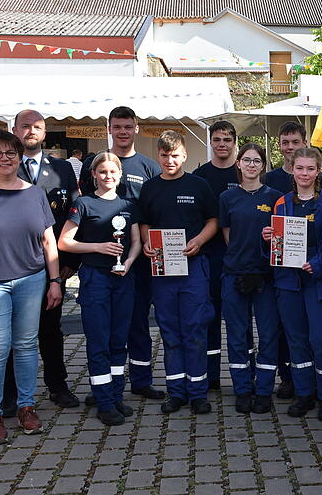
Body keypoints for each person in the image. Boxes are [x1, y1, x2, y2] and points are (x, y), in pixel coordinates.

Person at [0, 110, 81, 414]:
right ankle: (10, 395)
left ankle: (57, 385)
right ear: (14, 129)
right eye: (25, 126)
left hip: (52, 266)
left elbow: (74, 215)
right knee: (9, 335)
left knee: (51, 329)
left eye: (37, 127)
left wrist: (69, 264)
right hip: (6, 265)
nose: (31, 131)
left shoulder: (63, 168)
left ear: (45, 132)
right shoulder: (3, 166)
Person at [0, 129, 62, 444]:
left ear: (20, 156)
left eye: (10, 153)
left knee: (25, 345)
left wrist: (54, 281)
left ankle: (26, 407)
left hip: (31, 279)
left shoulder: (34, 193)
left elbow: (48, 240)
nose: (4, 159)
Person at [80, 106, 164, 403]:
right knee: (104, 330)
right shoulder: (95, 162)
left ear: (136, 128)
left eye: (128, 126)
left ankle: (141, 380)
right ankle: (103, 390)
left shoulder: (149, 167)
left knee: (138, 321)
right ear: (109, 129)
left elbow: (154, 213)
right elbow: (86, 205)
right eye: (118, 126)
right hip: (102, 262)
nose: (123, 131)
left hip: (138, 259)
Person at [57, 153, 141, 425]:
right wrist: (98, 247)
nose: (108, 177)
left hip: (123, 278)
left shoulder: (129, 204)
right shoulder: (83, 204)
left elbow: (137, 241)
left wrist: (128, 261)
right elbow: (64, 242)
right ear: (94, 174)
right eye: (102, 172)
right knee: (99, 341)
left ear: (120, 174)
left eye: (112, 172)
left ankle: (115, 395)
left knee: (119, 341)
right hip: (95, 279)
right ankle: (103, 402)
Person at [139, 131, 217, 415]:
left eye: (175, 155)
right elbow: (144, 223)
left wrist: (199, 240)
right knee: (170, 332)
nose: (169, 160)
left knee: (195, 330)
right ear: (158, 156)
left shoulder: (199, 185)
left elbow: (213, 220)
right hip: (162, 272)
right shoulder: (149, 188)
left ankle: (198, 392)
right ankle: (176, 392)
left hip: (194, 268)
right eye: (164, 155)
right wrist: (147, 241)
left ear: (184, 155)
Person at [262, 148, 322, 421]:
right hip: (288, 282)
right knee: (296, 340)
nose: (304, 173)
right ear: (292, 171)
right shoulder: (281, 203)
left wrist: (319, 264)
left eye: (310, 169)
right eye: (300, 168)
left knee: (320, 340)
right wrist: (269, 237)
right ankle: (304, 393)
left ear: (318, 171)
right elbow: (275, 246)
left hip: (318, 281)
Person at [220, 143, 282, 414]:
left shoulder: (276, 197)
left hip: (266, 276)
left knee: (268, 335)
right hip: (235, 274)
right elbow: (227, 233)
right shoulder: (227, 197)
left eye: (257, 161)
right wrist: (239, 262)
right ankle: (243, 389)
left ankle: (265, 390)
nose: (251, 165)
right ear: (239, 164)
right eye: (247, 160)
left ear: (263, 165)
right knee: (236, 335)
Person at [192, 120, 240, 391]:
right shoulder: (201, 176)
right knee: (209, 318)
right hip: (208, 258)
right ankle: (210, 377)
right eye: (218, 139)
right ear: (211, 142)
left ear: (234, 142)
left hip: (238, 259)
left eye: (227, 139)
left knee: (239, 321)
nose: (222, 144)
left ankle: (243, 376)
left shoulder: (243, 172)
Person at [261, 121, 307, 399]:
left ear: (304, 142)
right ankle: (287, 377)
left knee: (308, 329)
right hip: (282, 266)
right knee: (282, 328)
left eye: (295, 142)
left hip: (311, 267)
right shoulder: (271, 179)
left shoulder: (314, 175)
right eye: (285, 142)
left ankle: (308, 377)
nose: (290, 147)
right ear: (279, 145)